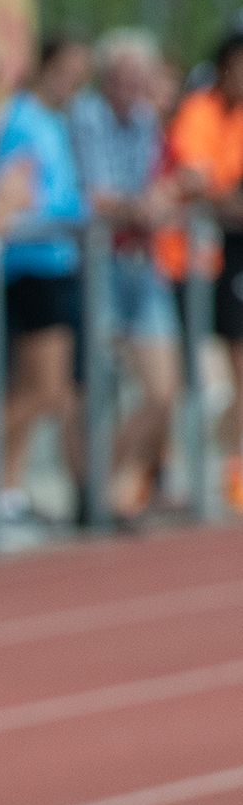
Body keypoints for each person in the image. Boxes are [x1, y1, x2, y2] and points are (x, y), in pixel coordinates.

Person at [70, 29, 185, 520]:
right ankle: (95, 491)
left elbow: (156, 186)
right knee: (94, 386)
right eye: (125, 76)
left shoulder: (145, 120)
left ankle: (111, 482)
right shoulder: (87, 115)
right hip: (100, 264)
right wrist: (140, 205)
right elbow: (95, 194)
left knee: (163, 389)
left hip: (143, 263)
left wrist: (161, 197)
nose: (133, 87)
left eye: (141, 77)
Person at [0, 36, 91, 528]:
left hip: (57, 261)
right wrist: (72, 213)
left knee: (43, 388)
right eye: (67, 69)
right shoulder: (21, 120)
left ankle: (5, 486)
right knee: (43, 388)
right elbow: (17, 195)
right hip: (32, 264)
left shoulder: (53, 121)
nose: (74, 81)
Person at [155, 31, 243, 511]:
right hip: (177, 260)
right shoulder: (199, 112)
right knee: (179, 376)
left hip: (220, 256)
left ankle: (226, 471)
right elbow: (201, 182)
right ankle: (167, 472)